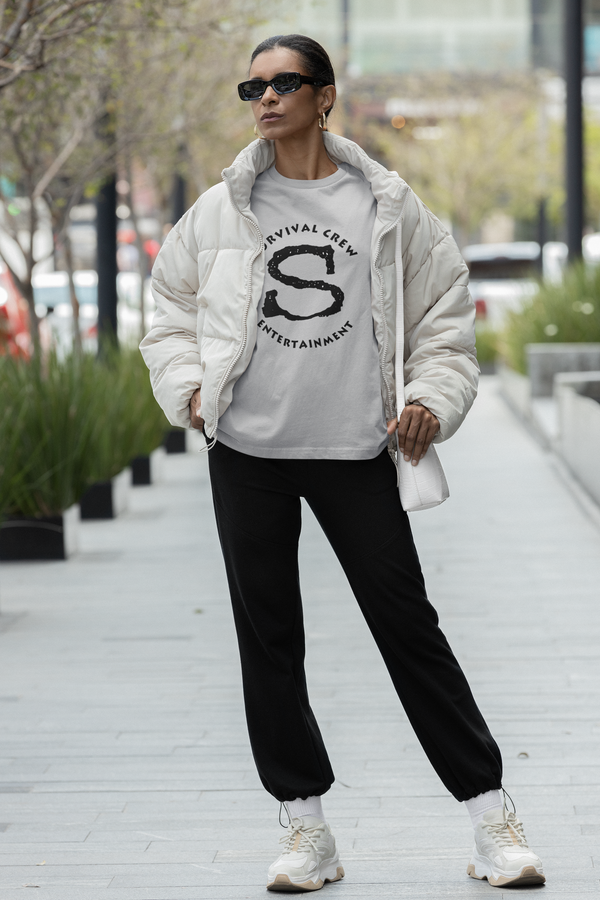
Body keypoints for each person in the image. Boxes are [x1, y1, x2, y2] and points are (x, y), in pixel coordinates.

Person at [140, 34, 545, 893]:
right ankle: (306, 829)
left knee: (409, 629)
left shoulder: (387, 204)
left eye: (284, 82)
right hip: (248, 450)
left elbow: (444, 316)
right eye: (253, 86)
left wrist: (431, 398)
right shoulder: (219, 209)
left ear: (325, 95)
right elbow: (168, 306)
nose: (265, 97)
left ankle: (491, 818)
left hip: (357, 449)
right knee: (269, 641)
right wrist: (192, 392)